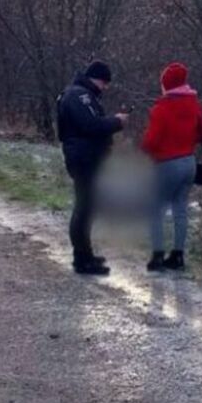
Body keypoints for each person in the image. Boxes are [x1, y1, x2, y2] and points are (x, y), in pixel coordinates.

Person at [56, 60, 128, 275]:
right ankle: (82, 260)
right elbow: (91, 125)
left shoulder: (79, 95)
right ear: (96, 78)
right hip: (84, 159)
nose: (105, 87)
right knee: (84, 209)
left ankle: (85, 255)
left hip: (86, 158)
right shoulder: (79, 96)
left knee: (88, 208)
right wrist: (116, 122)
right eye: (104, 82)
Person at [140, 61, 202, 272]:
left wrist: (146, 152)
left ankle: (158, 256)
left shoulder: (162, 108)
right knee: (180, 209)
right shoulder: (195, 104)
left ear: (166, 84)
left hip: (167, 164)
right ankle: (178, 256)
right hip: (189, 162)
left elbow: (151, 141)